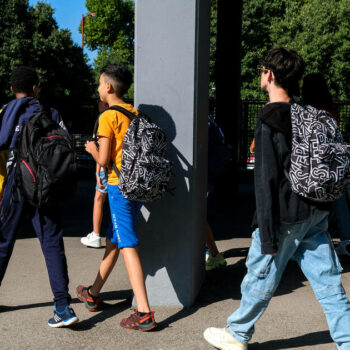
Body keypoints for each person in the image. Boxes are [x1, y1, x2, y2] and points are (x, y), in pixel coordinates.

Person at [204, 48, 350, 350]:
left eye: (261, 70)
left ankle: (237, 334)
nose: (261, 75)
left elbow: (266, 180)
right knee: (329, 283)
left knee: (260, 275)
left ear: (270, 74)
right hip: (315, 211)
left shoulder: (271, 117)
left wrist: (266, 234)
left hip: (284, 215)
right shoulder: (305, 113)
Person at [77, 64, 157, 331]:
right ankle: (93, 293)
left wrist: (91, 149)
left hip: (118, 186)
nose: (98, 88)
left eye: (100, 84)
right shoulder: (134, 113)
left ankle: (144, 312)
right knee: (115, 239)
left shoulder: (108, 117)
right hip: (136, 185)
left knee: (127, 245)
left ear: (108, 87)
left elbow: (103, 158)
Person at [0, 66, 78, 327]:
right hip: (45, 184)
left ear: (12, 89)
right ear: (35, 87)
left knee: (2, 242)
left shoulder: (5, 113)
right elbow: (65, 142)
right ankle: (63, 307)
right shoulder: (51, 113)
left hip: (16, 184)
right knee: (52, 242)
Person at [302, 73, 350, 257]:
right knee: (339, 201)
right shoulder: (330, 110)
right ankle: (346, 240)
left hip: (311, 166)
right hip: (333, 165)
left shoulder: (303, 111)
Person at [81, 100, 109, 248]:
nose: (97, 103)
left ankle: (96, 234)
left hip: (106, 168)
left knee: (99, 198)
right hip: (118, 167)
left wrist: (97, 173)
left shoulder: (103, 119)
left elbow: (101, 148)